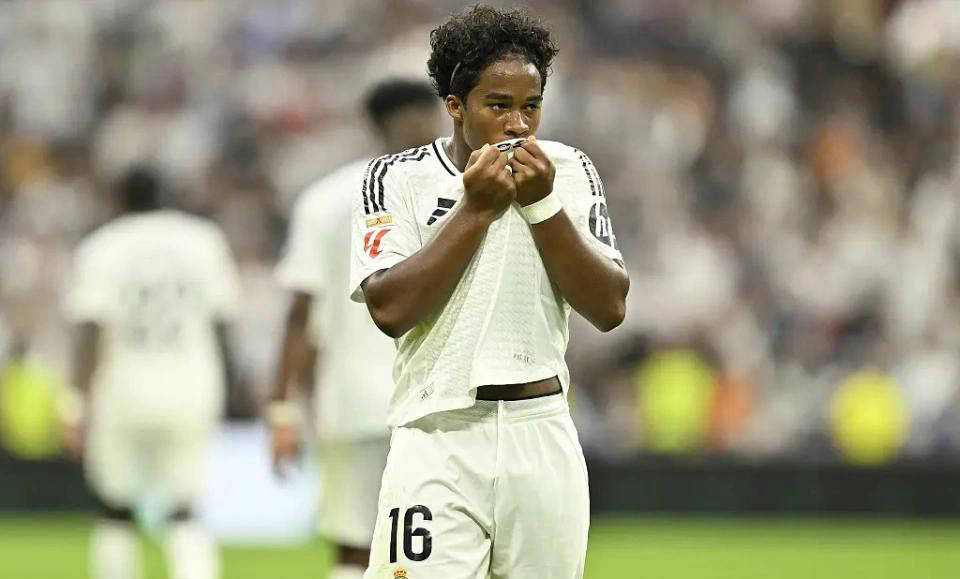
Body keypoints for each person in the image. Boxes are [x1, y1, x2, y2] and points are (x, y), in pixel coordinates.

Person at [350, 5, 629, 579]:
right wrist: (475, 209)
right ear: (455, 105)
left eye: (531, 106)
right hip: (438, 435)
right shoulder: (396, 177)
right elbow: (391, 308)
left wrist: (542, 204)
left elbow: (609, 307)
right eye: (498, 106)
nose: (518, 125)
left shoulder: (569, 171)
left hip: (540, 431)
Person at [269, 78, 441, 579]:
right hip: (434, 400)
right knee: (439, 548)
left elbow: (301, 314)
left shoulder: (327, 199)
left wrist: (283, 408)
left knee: (354, 546)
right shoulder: (458, 193)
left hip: (353, 402)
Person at [63, 166, 241, 579]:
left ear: (119, 199)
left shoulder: (101, 246)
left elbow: (89, 331)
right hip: (191, 384)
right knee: (186, 508)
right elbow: (223, 322)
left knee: (115, 508)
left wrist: (74, 402)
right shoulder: (204, 240)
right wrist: (235, 387)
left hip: (122, 388)